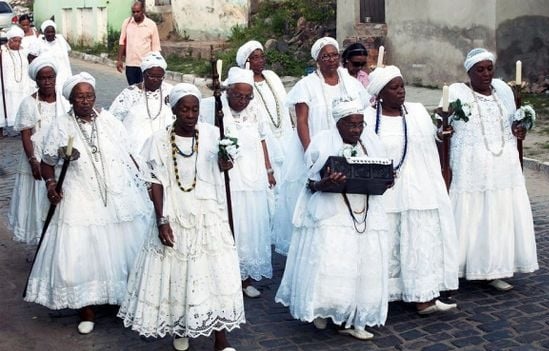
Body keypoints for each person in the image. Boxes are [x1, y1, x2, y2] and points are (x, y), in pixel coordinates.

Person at [24, 72, 152, 334]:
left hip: (116, 194)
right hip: (78, 194)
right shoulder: (61, 125)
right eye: (80, 97)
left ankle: (122, 298)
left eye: (89, 96)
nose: (85, 100)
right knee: (83, 252)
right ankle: (86, 308)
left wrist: (146, 182)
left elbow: (129, 155)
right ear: (71, 99)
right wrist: (50, 185)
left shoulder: (109, 122)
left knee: (120, 247)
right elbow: (48, 164)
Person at [118, 83, 244, 351]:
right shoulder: (158, 141)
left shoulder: (213, 135)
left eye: (194, 109)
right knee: (178, 274)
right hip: (174, 214)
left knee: (216, 274)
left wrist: (226, 162)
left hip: (208, 213)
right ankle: (180, 327)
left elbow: (227, 163)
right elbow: (155, 183)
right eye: (184, 109)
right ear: (173, 110)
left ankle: (221, 340)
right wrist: (161, 219)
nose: (190, 114)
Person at [275, 98, 390, 340]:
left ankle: (355, 316)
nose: (357, 130)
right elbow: (310, 183)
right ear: (338, 123)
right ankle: (326, 308)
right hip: (332, 211)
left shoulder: (371, 142)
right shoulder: (322, 142)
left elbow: (383, 170)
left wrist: (387, 181)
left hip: (365, 210)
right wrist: (324, 183)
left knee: (363, 262)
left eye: (361, 125)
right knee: (334, 260)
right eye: (351, 125)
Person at [441, 48, 538, 291]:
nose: (486, 74)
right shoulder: (456, 92)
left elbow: (513, 123)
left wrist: (520, 128)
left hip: (503, 164)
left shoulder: (503, 91)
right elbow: (441, 123)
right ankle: (459, 267)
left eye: (489, 69)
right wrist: (443, 127)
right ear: (469, 72)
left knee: (499, 214)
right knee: (471, 215)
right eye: (479, 70)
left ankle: (494, 268)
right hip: (471, 165)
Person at [364, 65, 458, 314]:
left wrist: (442, 133)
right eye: (394, 88)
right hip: (387, 194)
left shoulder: (416, 112)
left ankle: (423, 296)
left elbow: (432, 141)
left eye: (402, 86)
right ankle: (383, 294)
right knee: (388, 244)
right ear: (380, 93)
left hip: (419, 188)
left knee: (420, 241)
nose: (401, 91)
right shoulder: (367, 117)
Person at [277, 36, 370, 255]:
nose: (331, 60)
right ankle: (313, 247)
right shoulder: (306, 86)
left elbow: (361, 112)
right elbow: (301, 121)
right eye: (325, 56)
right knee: (317, 193)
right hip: (315, 149)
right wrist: (311, 152)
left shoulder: (351, 83)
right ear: (317, 59)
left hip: (347, 146)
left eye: (334, 55)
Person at [200, 67, 275, 298]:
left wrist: (268, 169)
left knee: (251, 228)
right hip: (226, 178)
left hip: (253, 178)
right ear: (227, 91)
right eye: (238, 95)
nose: (243, 101)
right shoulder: (212, 107)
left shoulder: (255, 109)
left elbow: (262, 140)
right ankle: (222, 278)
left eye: (247, 96)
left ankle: (246, 279)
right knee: (227, 225)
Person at [235, 40, 293, 255]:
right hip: (263, 140)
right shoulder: (243, 85)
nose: (260, 61)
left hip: (283, 135)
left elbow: (284, 107)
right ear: (246, 62)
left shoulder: (272, 78)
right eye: (255, 57)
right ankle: (266, 231)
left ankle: (282, 228)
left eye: (262, 56)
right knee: (269, 188)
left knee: (285, 185)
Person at [8, 55, 69, 244]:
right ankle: (41, 240)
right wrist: (33, 160)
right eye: (43, 78)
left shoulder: (64, 100)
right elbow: (26, 134)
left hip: (60, 156)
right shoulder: (29, 103)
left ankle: (58, 240)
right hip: (37, 155)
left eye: (51, 77)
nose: (48, 82)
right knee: (39, 198)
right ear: (36, 80)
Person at [109, 51, 174, 154]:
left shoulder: (171, 91)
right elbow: (114, 120)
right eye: (152, 76)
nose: (155, 80)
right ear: (143, 74)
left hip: (164, 147)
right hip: (135, 148)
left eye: (159, 77)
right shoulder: (130, 94)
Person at [116, 1, 161, 85]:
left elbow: (156, 48)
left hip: (145, 65)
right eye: (133, 12)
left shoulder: (151, 25)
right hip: (130, 65)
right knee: (133, 90)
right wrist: (119, 60)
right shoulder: (127, 23)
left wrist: (156, 65)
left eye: (138, 11)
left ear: (143, 10)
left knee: (144, 90)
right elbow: (122, 41)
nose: (135, 14)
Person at [0, 25, 33, 136]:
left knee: (21, 105)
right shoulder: (2, 50)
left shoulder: (24, 51)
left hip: (22, 85)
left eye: (19, 41)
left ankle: (23, 128)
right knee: (4, 105)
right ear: (9, 40)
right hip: (5, 85)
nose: (17, 44)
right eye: (15, 41)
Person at [30, 20, 72, 92]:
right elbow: (31, 58)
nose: (50, 34)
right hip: (48, 76)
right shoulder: (39, 43)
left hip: (63, 74)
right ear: (44, 32)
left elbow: (67, 53)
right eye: (48, 32)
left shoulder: (60, 41)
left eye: (52, 32)